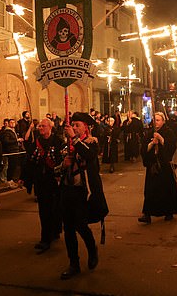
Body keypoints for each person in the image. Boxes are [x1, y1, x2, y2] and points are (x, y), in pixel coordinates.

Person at [58, 112, 101, 279]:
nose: (74, 128)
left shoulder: (91, 142)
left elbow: (89, 155)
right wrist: (63, 164)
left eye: (77, 125)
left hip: (83, 191)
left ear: (85, 127)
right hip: (67, 190)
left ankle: (92, 250)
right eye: (73, 125)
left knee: (81, 226)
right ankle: (73, 263)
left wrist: (74, 140)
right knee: (68, 229)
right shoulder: (66, 145)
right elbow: (56, 168)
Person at [21, 118, 64, 254]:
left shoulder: (58, 142)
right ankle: (45, 239)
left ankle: (56, 230)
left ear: (50, 127)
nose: (40, 128)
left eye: (43, 126)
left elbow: (62, 160)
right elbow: (30, 161)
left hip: (55, 181)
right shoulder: (36, 142)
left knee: (56, 208)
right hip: (41, 181)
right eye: (39, 126)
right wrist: (24, 178)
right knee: (44, 210)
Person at [138, 112, 177, 224]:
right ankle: (147, 214)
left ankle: (168, 211)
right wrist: (151, 145)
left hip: (164, 166)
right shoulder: (150, 133)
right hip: (153, 166)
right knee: (150, 191)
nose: (156, 122)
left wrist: (161, 140)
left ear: (163, 121)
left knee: (166, 190)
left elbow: (171, 147)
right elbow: (144, 149)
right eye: (155, 120)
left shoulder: (168, 132)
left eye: (159, 120)